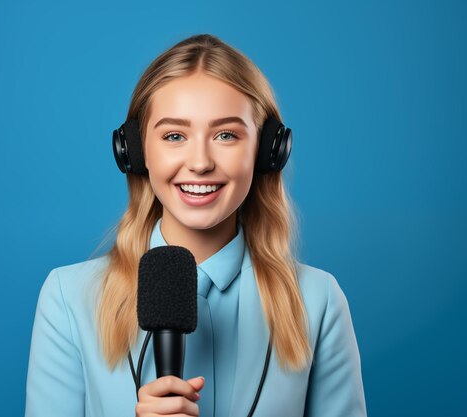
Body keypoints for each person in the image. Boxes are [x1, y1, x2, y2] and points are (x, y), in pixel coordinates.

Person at [25, 33, 366, 417]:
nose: (200, 162)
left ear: (269, 150)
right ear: (135, 152)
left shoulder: (317, 302)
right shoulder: (69, 299)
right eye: (174, 135)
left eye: (226, 135)